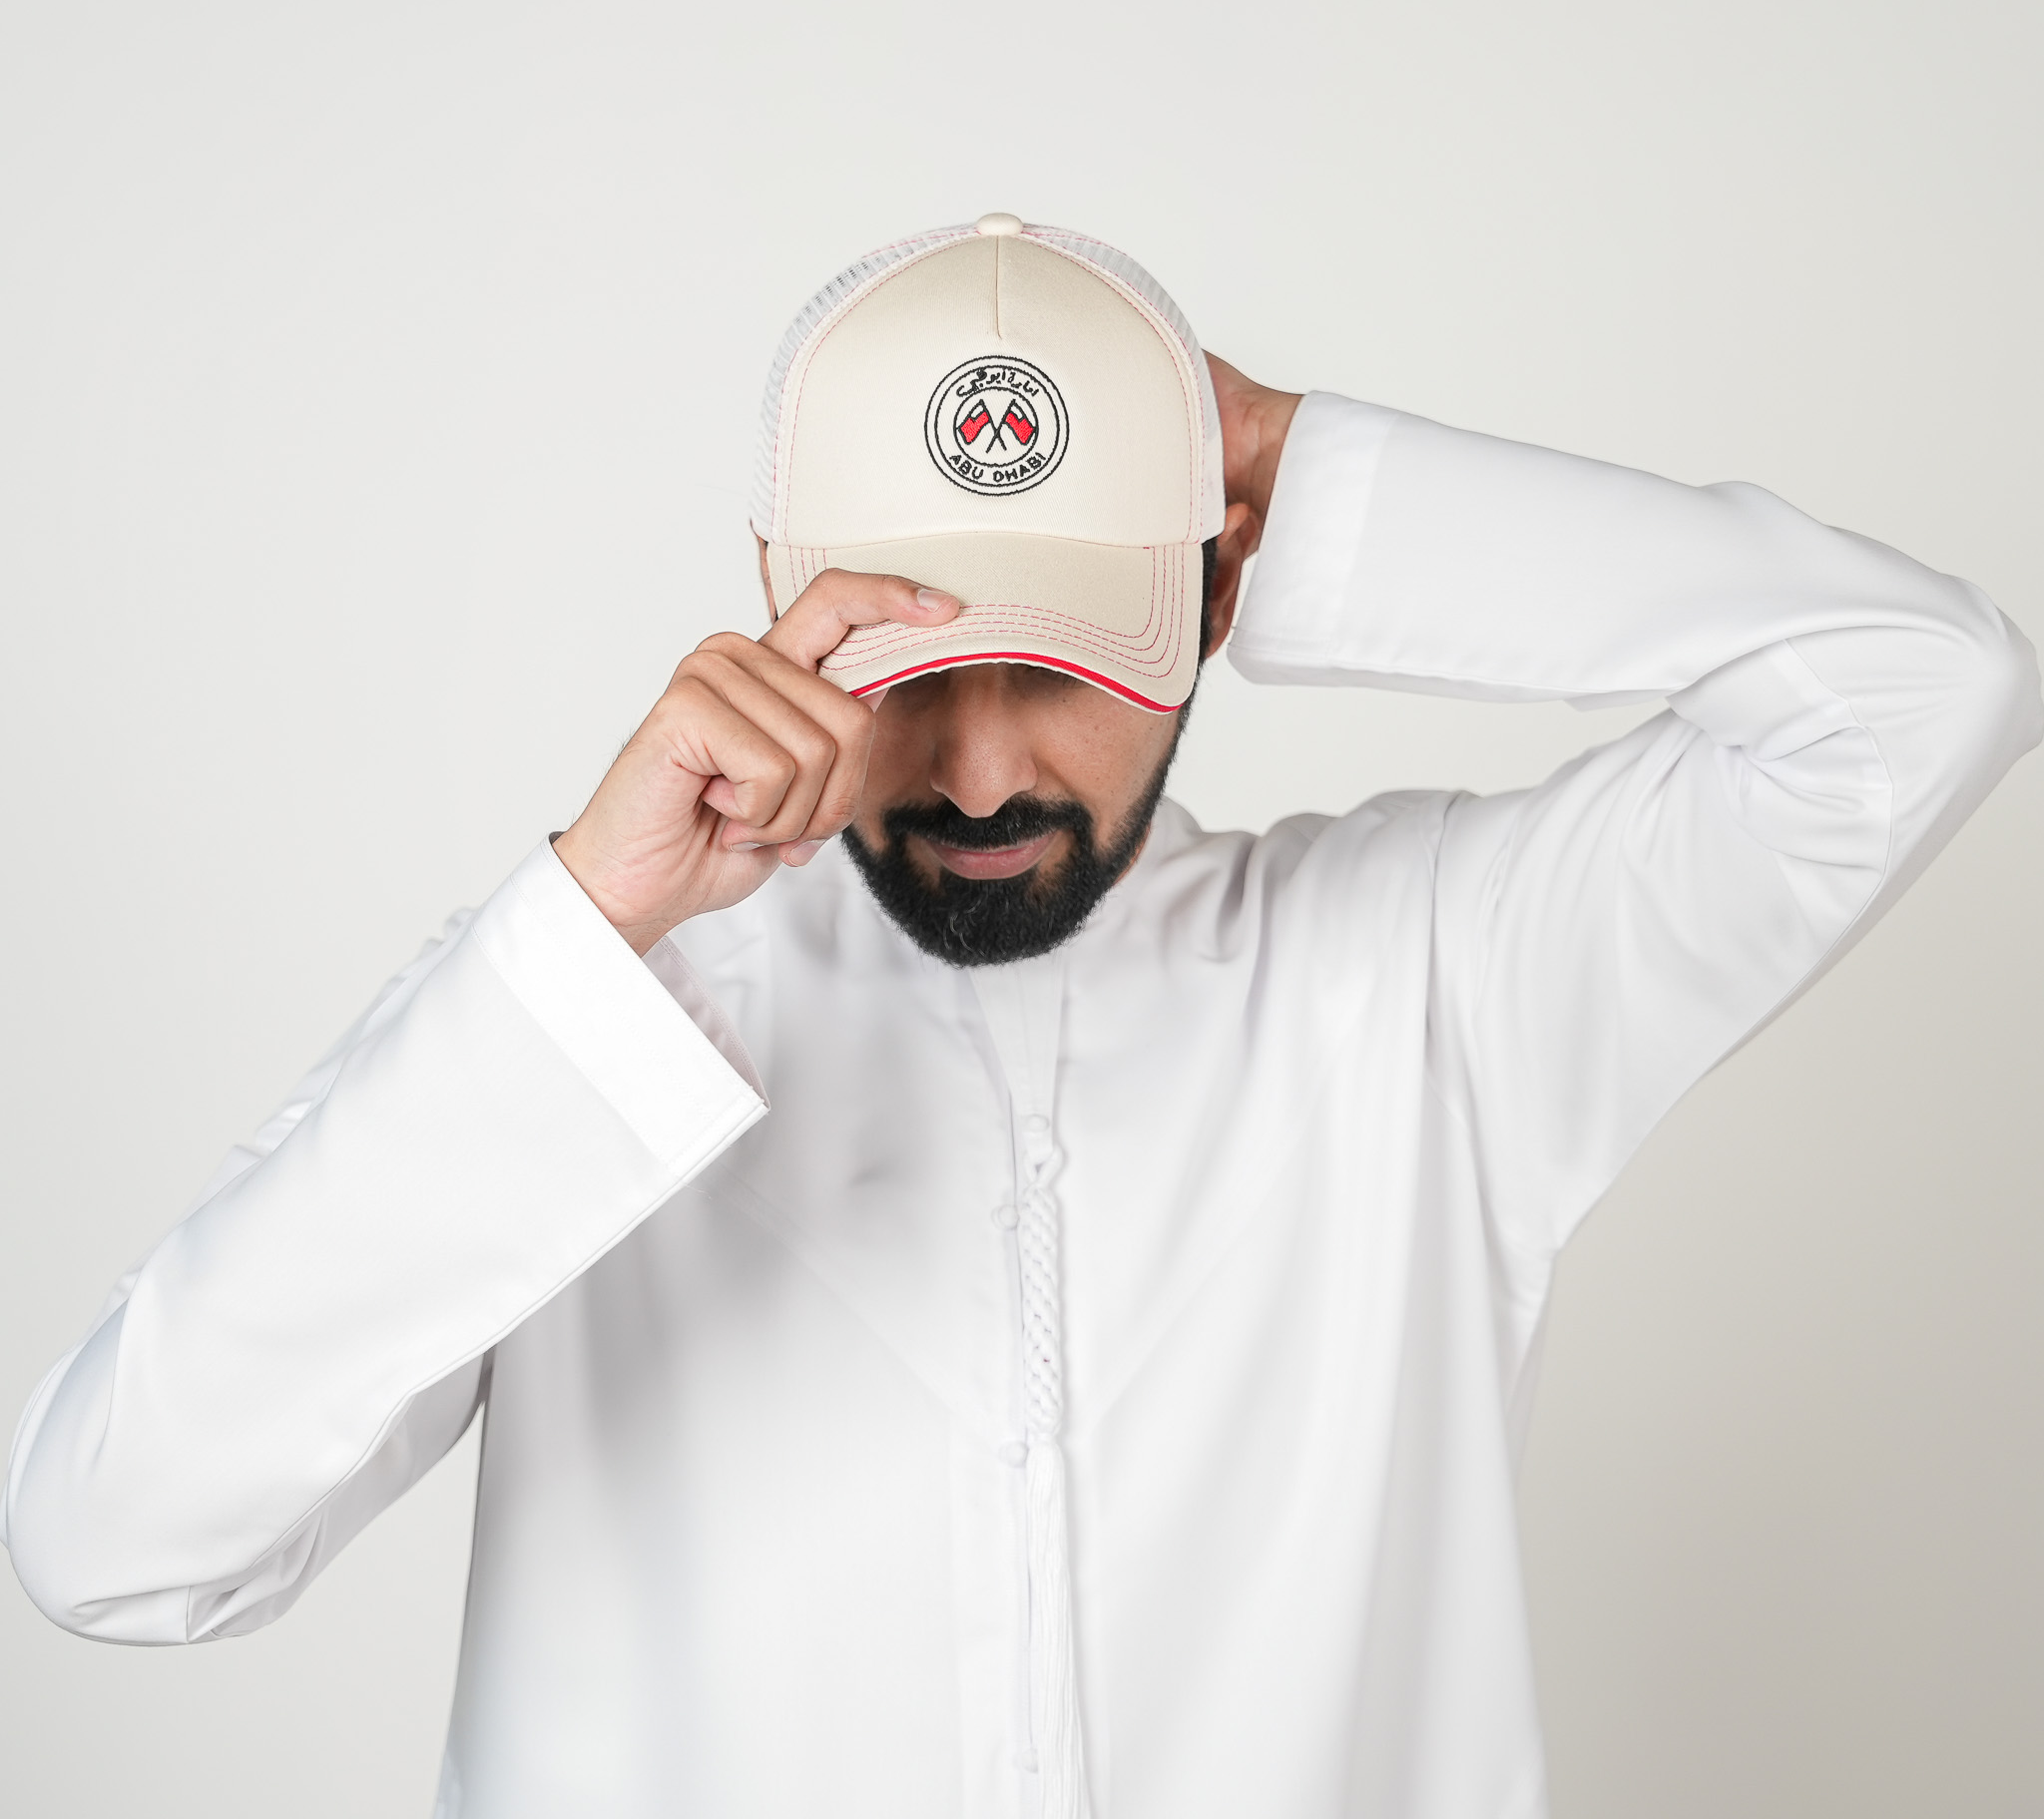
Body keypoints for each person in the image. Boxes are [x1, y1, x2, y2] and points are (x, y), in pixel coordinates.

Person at [6, 213, 2037, 1819]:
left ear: (1214, 600)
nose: (982, 773)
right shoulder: (571, 1022)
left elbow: (1921, 689)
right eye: (912, 668)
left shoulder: (1430, 978)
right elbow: (114, 1541)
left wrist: (1313, 475)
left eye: (1063, 664)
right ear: (778, 601)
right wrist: (586, 930)